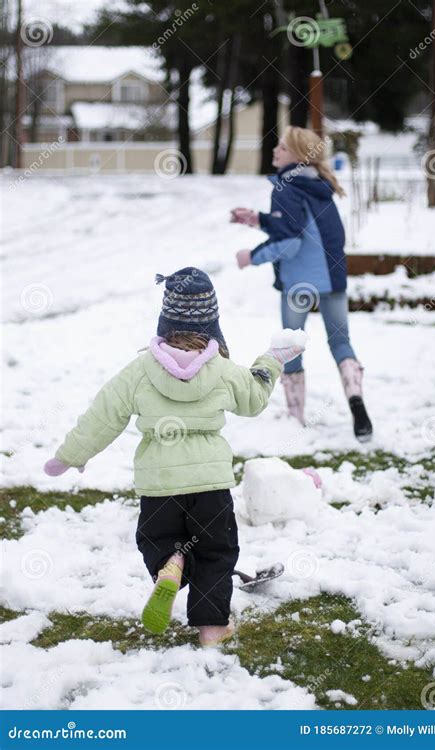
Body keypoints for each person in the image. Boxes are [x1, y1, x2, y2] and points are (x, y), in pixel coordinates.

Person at [43, 267, 303, 648]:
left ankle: (171, 563)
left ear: (166, 320)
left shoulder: (139, 370)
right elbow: (254, 396)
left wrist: (71, 455)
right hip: (210, 484)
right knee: (216, 552)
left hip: (158, 484)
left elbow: (103, 414)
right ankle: (212, 628)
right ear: (212, 323)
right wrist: (274, 358)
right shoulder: (221, 370)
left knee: (161, 539)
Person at [230, 125, 373, 442]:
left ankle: (295, 417)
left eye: (281, 147)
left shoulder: (285, 188)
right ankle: (356, 401)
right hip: (332, 279)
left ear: (297, 154)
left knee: (290, 345)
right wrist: (257, 219)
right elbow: (295, 226)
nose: (274, 151)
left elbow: (290, 241)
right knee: (340, 342)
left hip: (298, 284)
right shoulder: (317, 184)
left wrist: (250, 257)